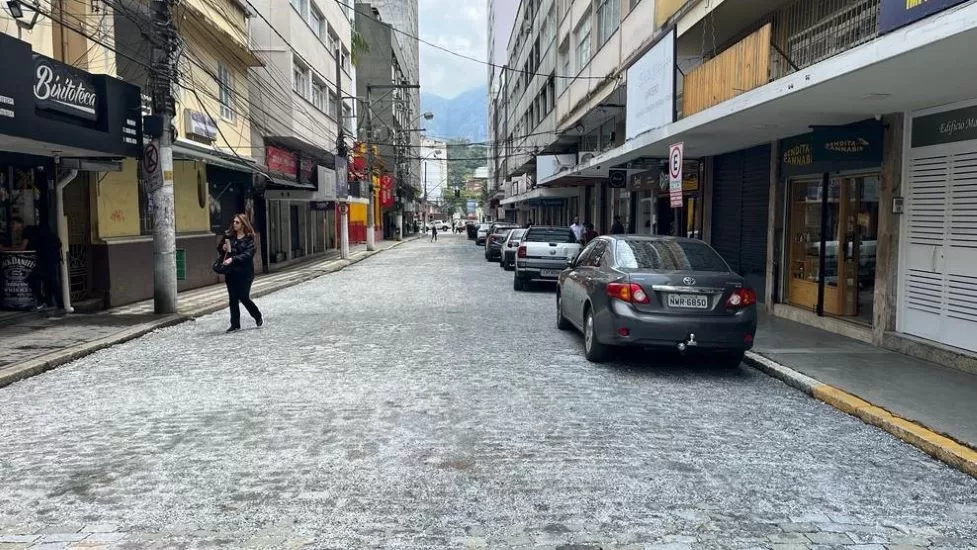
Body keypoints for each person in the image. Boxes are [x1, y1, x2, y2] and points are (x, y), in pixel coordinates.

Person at [1, 217, 62, 310]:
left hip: (46, 258)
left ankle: (46, 302)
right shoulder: (33, 230)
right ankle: (53, 304)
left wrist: (3, 249)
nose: (12, 228)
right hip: (51, 256)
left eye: (12, 225)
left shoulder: (27, 231)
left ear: (19, 224)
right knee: (50, 281)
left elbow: (22, 248)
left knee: (34, 279)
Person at [219, 214, 262, 333]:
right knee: (233, 299)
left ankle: (257, 315)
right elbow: (221, 251)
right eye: (234, 221)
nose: (234, 224)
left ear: (243, 224)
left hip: (245, 273)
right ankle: (235, 324)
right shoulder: (229, 236)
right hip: (231, 272)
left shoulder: (249, 239)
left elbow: (248, 255)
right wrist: (222, 248)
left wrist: (233, 259)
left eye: (237, 222)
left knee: (243, 297)